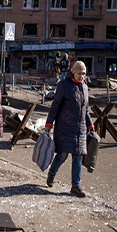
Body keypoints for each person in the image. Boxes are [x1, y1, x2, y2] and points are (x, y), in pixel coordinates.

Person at [44, 61, 95, 198]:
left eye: (84, 74)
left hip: (81, 130)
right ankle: (52, 173)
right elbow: (55, 106)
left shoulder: (85, 87)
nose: (82, 76)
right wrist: (49, 125)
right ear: (73, 72)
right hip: (64, 128)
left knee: (78, 158)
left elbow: (85, 110)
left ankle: (75, 186)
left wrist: (90, 125)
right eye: (79, 73)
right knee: (62, 155)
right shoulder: (64, 86)